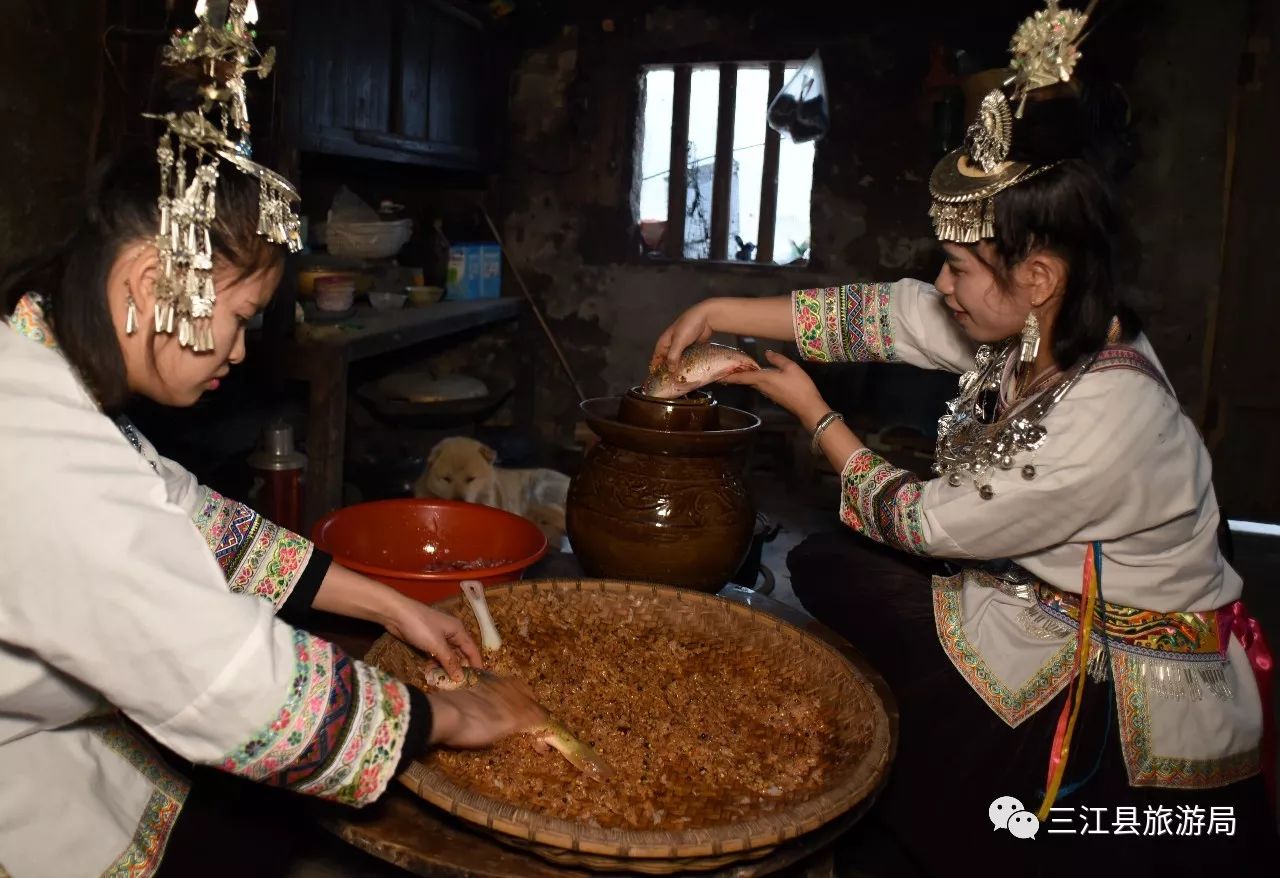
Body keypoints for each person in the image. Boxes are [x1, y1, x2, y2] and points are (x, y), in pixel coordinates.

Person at [653, 3, 1275, 872]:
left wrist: (813, 412)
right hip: (1026, 592)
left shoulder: (1113, 414)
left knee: (939, 766)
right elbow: (885, 315)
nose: (940, 285)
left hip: (1119, 674)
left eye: (959, 268)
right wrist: (721, 307)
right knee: (824, 567)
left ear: (1040, 276)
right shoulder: (1030, 329)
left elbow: (925, 524)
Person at [0, 6, 541, 876]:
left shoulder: (37, 351)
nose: (243, 350)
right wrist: (458, 718)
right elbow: (236, 682)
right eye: (242, 316)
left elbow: (192, 518)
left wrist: (393, 607)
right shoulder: (37, 453)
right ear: (149, 280)